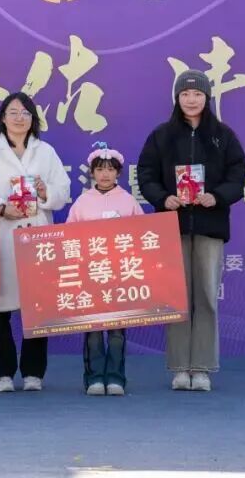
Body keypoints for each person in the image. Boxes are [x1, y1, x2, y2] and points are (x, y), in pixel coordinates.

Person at [137, 70, 245, 392]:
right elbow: (146, 173)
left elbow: (238, 174)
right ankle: (179, 367)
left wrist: (218, 196)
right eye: (185, 94)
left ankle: (202, 367)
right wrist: (162, 198)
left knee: (207, 297)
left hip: (211, 227)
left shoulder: (223, 135)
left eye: (197, 94)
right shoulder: (161, 135)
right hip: (173, 228)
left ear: (207, 97)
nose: (191, 99)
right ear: (177, 98)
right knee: (177, 298)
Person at [0, 92, 71, 393]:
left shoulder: (45, 151)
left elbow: (63, 190)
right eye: (12, 112)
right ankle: (1, 373)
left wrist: (45, 192)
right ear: (3, 118)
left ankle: (33, 372)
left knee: (36, 307)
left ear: (33, 119)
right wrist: (1, 207)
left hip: (37, 237)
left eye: (25, 113)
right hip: (2, 234)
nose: (19, 118)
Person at [66, 143, 145, 397]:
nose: (105, 174)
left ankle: (115, 377)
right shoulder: (82, 202)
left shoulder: (128, 201)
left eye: (110, 169)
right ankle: (94, 378)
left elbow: (141, 235)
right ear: (92, 173)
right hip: (90, 275)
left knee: (117, 330)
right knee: (93, 330)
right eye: (100, 169)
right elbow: (69, 236)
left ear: (118, 173)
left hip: (119, 275)